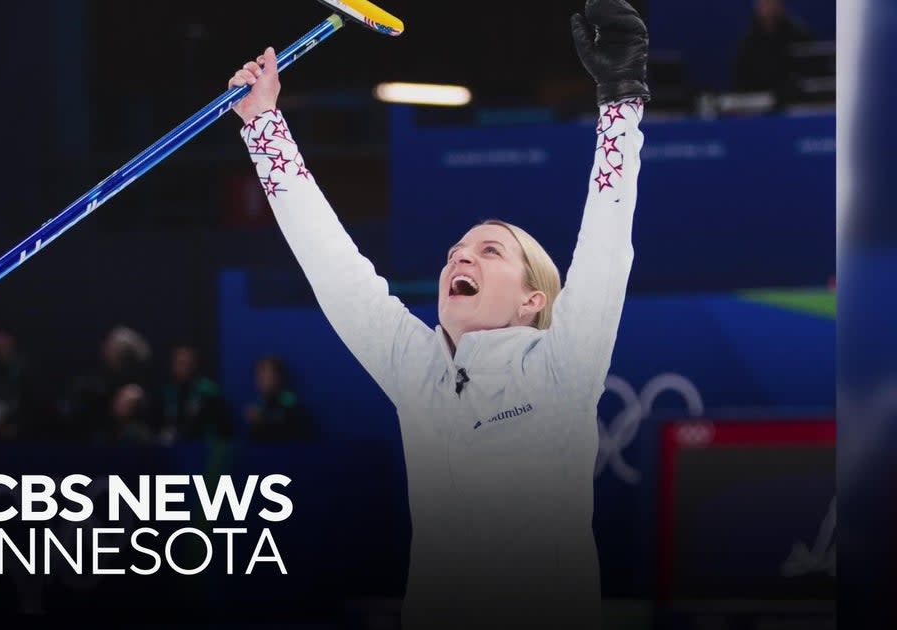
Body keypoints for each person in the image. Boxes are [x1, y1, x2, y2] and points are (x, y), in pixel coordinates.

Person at [225, 0, 649, 626]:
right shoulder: (418, 369)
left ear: (534, 299)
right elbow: (333, 266)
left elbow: (607, 245)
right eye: (455, 252)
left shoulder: (564, 365)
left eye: (489, 251)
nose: (461, 257)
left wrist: (621, 101)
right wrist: (264, 124)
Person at [733, 0, 814, 102]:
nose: (769, 8)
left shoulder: (799, 36)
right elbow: (740, 80)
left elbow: (812, 75)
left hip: (795, 103)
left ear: (781, 5)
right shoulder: (749, 42)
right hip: (759, 103)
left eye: (772, 3)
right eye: (764, 4)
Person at [243, 355, 315, 442]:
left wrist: (264, 419)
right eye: (259, 376)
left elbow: (296, 423)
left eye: (268, 376)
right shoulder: (258, 405)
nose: (263, 381)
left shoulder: (289, 400)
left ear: (279, 378)